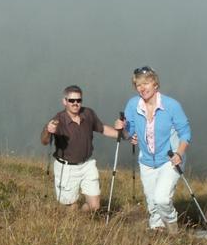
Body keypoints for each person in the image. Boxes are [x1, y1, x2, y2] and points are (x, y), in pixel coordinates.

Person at [115, 66, 191, 234]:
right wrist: (122, 128)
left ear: (155, 84)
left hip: (170, 158)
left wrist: (179, 153)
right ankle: (157, 231)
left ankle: (173, 230)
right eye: (138, 85)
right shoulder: (133, 104)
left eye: (146, 83)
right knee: (152, 202)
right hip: (146, 161)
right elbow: (129, 133)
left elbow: (185, 132)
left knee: (162, 199)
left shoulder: (171, 105)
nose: (142, 88)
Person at [41, 85, 122, 213]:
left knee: (94, 206)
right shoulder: (58, 120)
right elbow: (45, 141)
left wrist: (123, 135)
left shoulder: (88, 113)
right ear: (64, 101)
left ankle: (81, 219)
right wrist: (47, 130)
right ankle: (75, 222)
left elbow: (102, 129)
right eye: (71, 100)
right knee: (71, 208)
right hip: (66, 168)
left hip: (87, 164)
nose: (75, 103)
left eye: (78, 100)